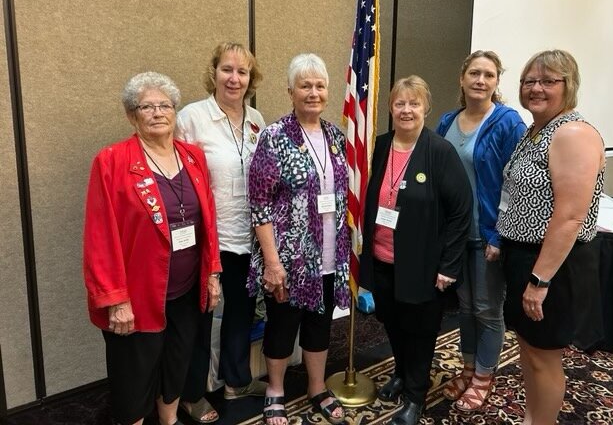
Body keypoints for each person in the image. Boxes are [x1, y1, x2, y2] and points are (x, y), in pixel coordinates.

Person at [83, 72, 222, 425]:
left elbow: (208, 220)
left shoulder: (193, 157)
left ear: (175, 112)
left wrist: (212, 273)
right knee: (135, 378)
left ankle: (170, 419)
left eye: (165, 105)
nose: (158, 112)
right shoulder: (112, 161)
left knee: (176, 364)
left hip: (186, 292)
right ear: (132, 116)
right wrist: (115, 299)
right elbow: (100, 235)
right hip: (137, 297)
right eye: (147, 106)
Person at [496, 50, 605, 424]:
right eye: (529, 81)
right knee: (529, 349)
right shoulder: (535, 131)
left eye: (547, 81)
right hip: (524, 256)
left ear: (568, 86)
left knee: (543, 357)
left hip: (551, 263)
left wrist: (539, 281)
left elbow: (571, 217)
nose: (535, 89)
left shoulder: (573, 133)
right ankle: (533, 417)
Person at [359, 75, 473, 425]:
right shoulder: (378, 146)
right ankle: (400, 373)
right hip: (382, 259)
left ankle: (415, 397)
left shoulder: (439, 152)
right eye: (400, 103)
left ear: (426, 107)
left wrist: (449, 266)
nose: (406, 110)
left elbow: (460, 211)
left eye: (414, 103)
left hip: (424, 265)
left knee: (420, 332)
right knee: (392, 324)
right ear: (391, 107)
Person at [247, 53, 350, 425]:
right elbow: (259, 205)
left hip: (328, 256)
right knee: (282, 325)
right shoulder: (273, 137)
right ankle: (275, 389)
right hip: (288, 259)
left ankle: (317, 386)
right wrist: (272, 263)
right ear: (290, 90)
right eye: (305, 85)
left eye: (319, 85)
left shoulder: (337, 136)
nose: (313, 92)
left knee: (319, 324)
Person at [176, 42, 266, 422]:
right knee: (197, 321)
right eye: (227, 69)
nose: (234, 78)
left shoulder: (257, 119)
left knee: (241, 313)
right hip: (206, 239)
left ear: (251, 79)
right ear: (213, 73)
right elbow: (177, 182)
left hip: (248, 236)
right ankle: (192, 394)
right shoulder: (191, 118)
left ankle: (236, 379)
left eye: (242, 72)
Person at [436, 51, 526, 411]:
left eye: (489, 75)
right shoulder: (446, 122)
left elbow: (516, 184)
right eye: (474, 72)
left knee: (488, 309)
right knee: (465, 307)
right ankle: (469, 368)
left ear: (497, 82)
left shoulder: (508, 122)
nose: (480, 80)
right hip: (456, 237)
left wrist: (499, 235)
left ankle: (484, 376)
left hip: (488, 235)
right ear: (462, 78)